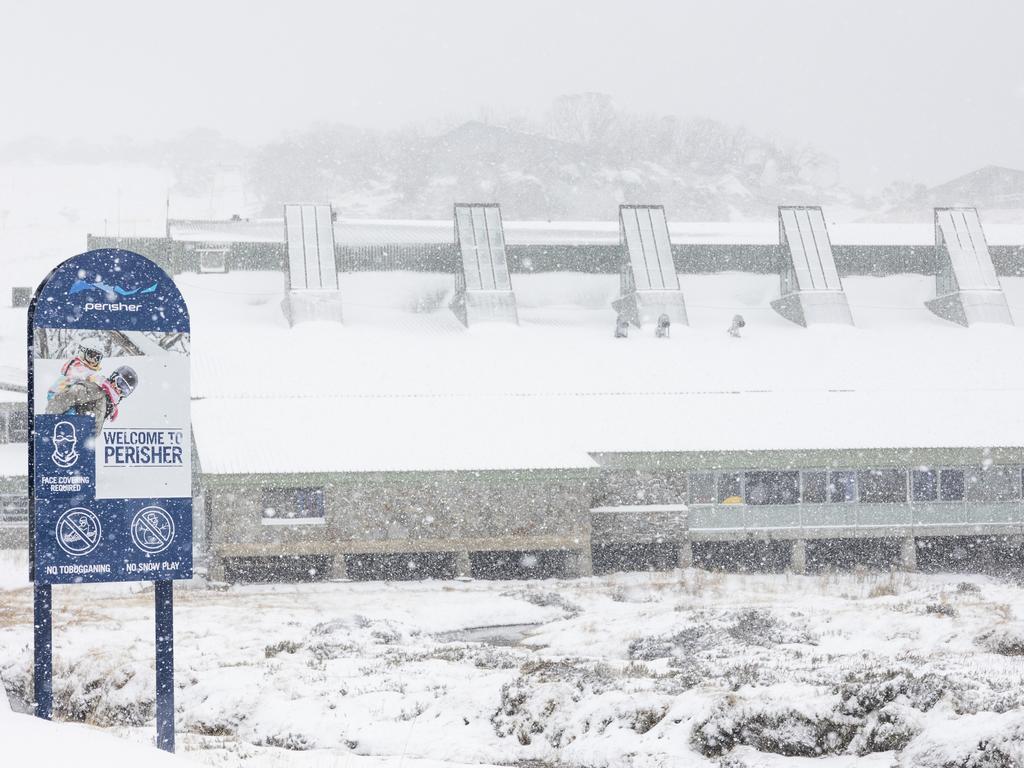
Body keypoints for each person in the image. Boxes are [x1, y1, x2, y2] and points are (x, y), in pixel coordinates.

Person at [46, 365, 138, 436]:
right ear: (114, 377)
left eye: (124, 390)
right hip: (63, 438)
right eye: (120, 382)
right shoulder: (95, 389)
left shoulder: (107, 403)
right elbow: (60, 401)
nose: (119, 388)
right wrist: (52, 426)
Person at [47, 336, 106, 401]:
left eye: (97, 357)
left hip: (70, 396)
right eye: (91, 355)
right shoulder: (77, 365)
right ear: (83, 352)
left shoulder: (89, 368)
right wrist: (100, 381)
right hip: (58, 396)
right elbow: (83, 377)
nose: (94, 359)